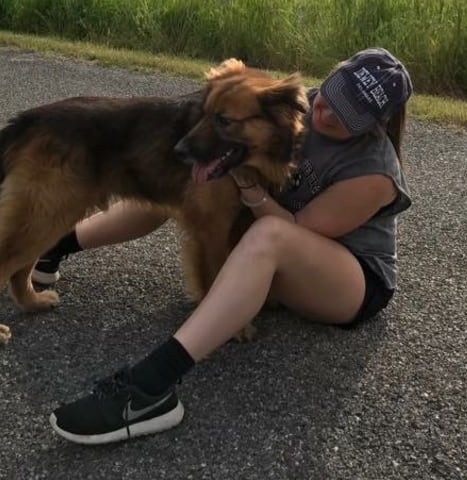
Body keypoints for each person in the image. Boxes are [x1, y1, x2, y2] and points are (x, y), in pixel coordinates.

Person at [44, 48, 413, 445]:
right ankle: (51, 249)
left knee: (269, 236)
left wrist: (250, 188)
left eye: (344, 117)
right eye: (330, 97)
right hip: (281, 251)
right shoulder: (293, 105)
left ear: (373, 124)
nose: (324, 114)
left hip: (348, 281)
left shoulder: (374, 172)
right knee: (193, 189)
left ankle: (148, 390)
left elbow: (296, 228)